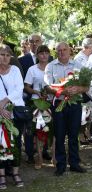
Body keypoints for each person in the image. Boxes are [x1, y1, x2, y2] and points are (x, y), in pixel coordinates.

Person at [44, 42, 88, 176]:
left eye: (64, 50)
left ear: (70, 51)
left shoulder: (78, 65)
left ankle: (74, 163)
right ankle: (61, 165)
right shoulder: (50, 66)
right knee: (59, 134)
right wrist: (62, 92)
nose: (62, 52)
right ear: (56, 52)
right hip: (58, 104)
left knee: (74, 135)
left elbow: (86, 86)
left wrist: (78, 89)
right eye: (59, 50)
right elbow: (47, 86)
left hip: (74, 105)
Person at [19, 34, 52, 163]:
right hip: (33, 101)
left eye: (37, 41)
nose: (43, 55)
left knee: (46, 126)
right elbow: (25, 85)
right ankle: (30, 153)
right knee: (31, 128)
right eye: (31, 42)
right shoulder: (26, 63)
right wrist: (36, 93)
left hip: (49, 101)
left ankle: (44, 151)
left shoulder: (52, 65)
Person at [0, 44, 24, 188]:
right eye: (2, 54)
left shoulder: (14, 70)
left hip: (15, 110)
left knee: (16, 143)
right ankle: (2, 176)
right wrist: (0, 108)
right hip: (0, 112)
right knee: (1, 145)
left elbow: (19, 89)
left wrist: (5, 102)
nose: (5, 58)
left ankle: (15, 173)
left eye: (8, 55)